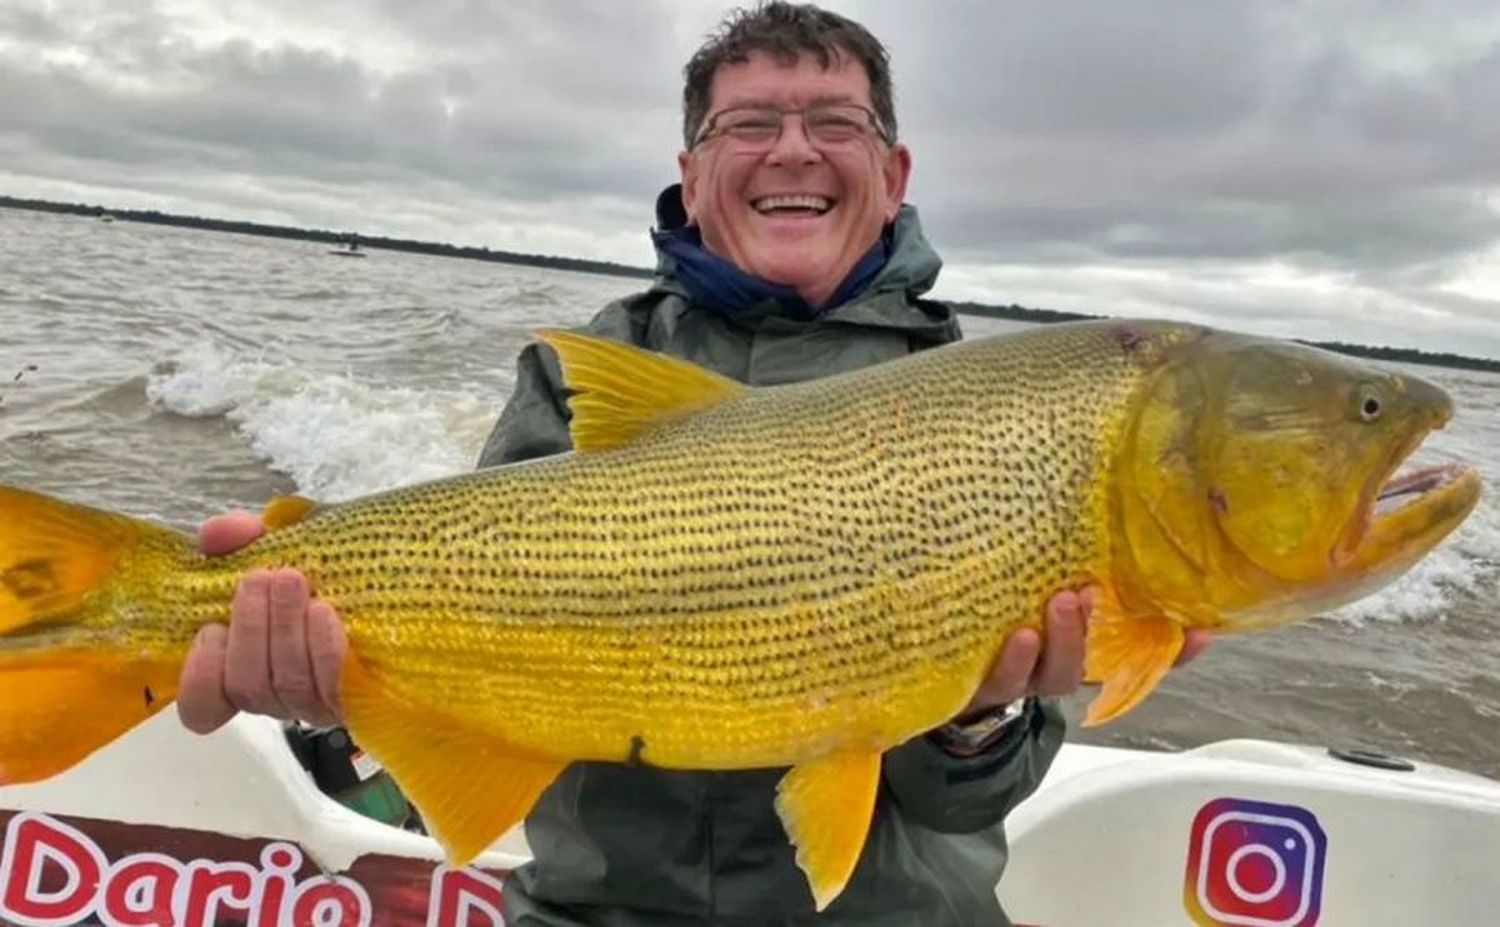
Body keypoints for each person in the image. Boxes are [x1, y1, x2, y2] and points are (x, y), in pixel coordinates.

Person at [178, 4, 1209, 924]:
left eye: (835, 123)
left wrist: (979, 718)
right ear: (692, 173)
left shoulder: (1011, 412)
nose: (793, 151)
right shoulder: (585, 367)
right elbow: (472, 646)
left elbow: (970, 803)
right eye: (749, 124)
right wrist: (339, 675)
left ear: (893, 176)